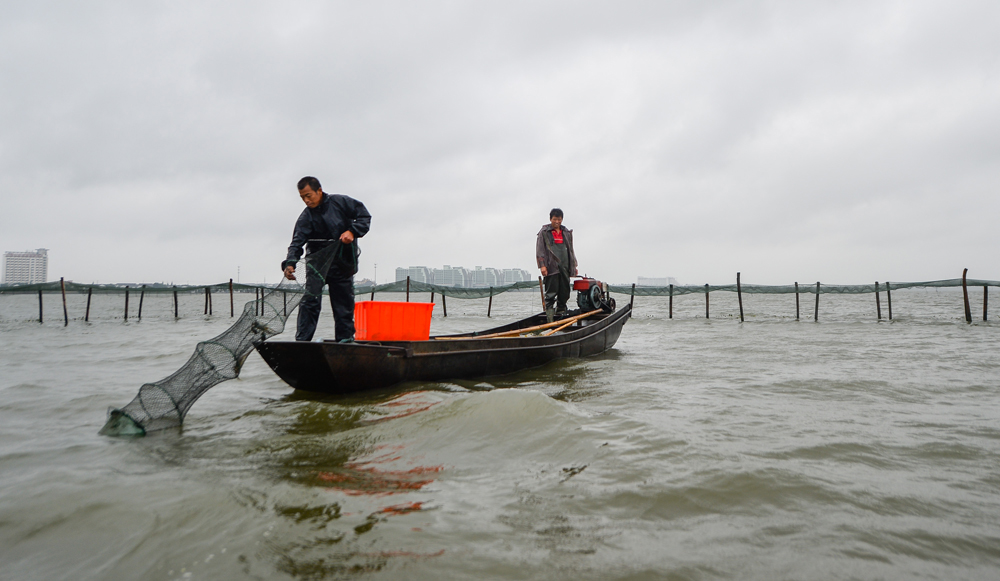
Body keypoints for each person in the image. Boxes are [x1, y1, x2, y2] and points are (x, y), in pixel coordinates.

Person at [282, 176, 371, 342]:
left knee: (343, 304)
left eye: (309, 196)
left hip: (342, 263)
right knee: (310, 301)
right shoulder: (305, 218)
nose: (306, 200)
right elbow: (297, 243)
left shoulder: (340, 202)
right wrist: (290, 263)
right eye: (302, 197)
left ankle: (345, 340)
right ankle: (303, 341)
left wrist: (352, 231)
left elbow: (364, 216)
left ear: (319, 191)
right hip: (317, 265)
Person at [536, 208, 578, 315]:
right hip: (551, 267)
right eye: (555, 219)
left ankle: (561, 314)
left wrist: (573, 266)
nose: (557, 222)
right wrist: (542, 266)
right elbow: (540, 250)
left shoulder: (566, 232)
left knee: (565, 292)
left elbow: (571, 250)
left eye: (559, 219)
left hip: (565, 266)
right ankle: (549, 318)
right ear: (550, 219)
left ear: (562, 219)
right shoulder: (544, 232)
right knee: (551, 293)